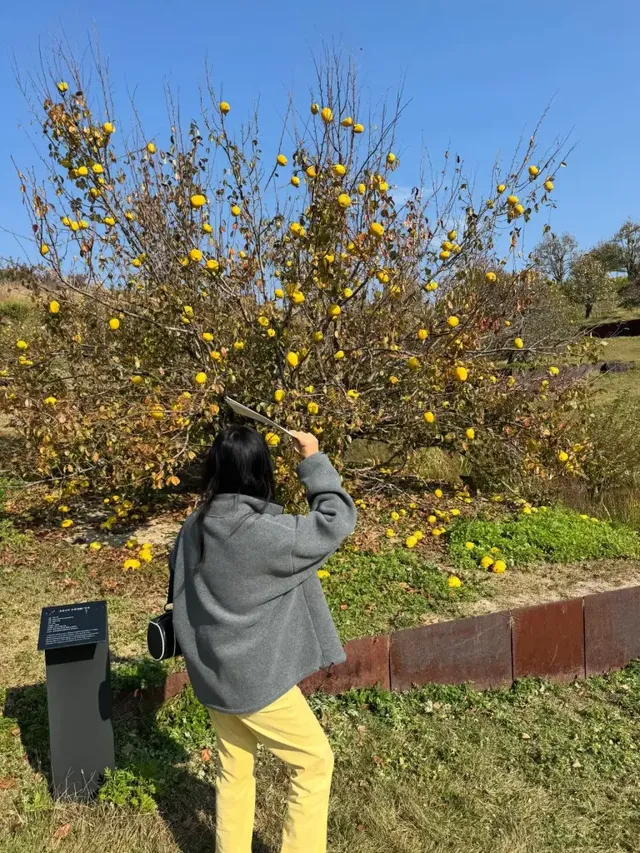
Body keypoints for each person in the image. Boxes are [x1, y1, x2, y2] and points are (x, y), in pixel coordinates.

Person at [170, 423, 357, 853]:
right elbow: (337, 519)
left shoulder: (191, 529)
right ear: (261, 470)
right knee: (314, 762)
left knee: (234, 770)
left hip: (212, 675)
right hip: (256, 683)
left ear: (213, 469)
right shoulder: (268, 535)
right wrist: (312, 458)